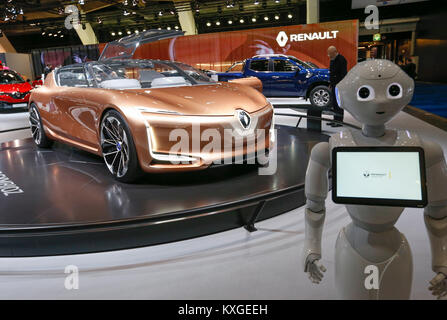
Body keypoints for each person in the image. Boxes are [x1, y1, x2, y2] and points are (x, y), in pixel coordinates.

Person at [327, 46, 347, 127]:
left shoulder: (341, 59)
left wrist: (340, 85)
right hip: (334, 84)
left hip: (339, 85)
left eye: (330, 54)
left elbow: (343, 74)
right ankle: (335, 119)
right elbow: (332, 73)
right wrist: (331, 84)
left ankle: (339, 121)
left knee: (339, 104)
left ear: (335, 52)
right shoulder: (332, 60)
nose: (329, 56)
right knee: (334, 104)